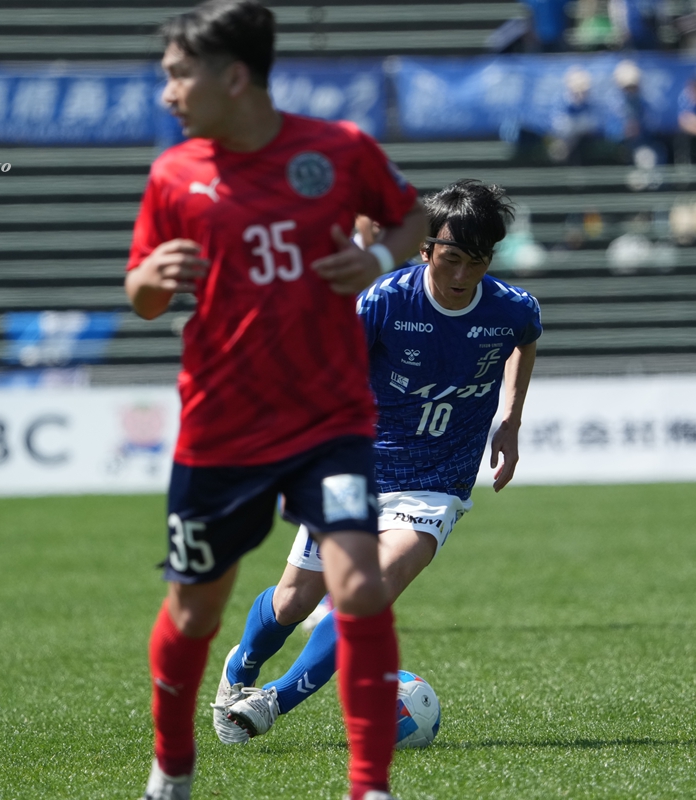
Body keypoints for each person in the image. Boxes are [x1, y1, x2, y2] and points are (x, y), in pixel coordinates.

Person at [124, 2, 427, 798]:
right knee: (195, 613)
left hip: (330, 421)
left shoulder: (339, 150)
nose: (167, 92)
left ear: (234, 77)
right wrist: (148, 281)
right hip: (221, 427)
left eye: (178, 74)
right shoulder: (173, 174)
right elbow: (144, 296)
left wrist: (380, 261)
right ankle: (172, 765)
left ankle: (370, 786)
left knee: (358, 586)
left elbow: (412, 217)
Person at [209, 180, 541, 747]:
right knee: (294, 601)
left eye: (478, 261)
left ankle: (273, 701)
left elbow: (524, 340)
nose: (463, 275)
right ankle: (241, 668)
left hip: (435, 485)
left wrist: (509, 420)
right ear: (426, 250)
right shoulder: (385, 302)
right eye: (452, 259)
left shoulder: (511, 308)